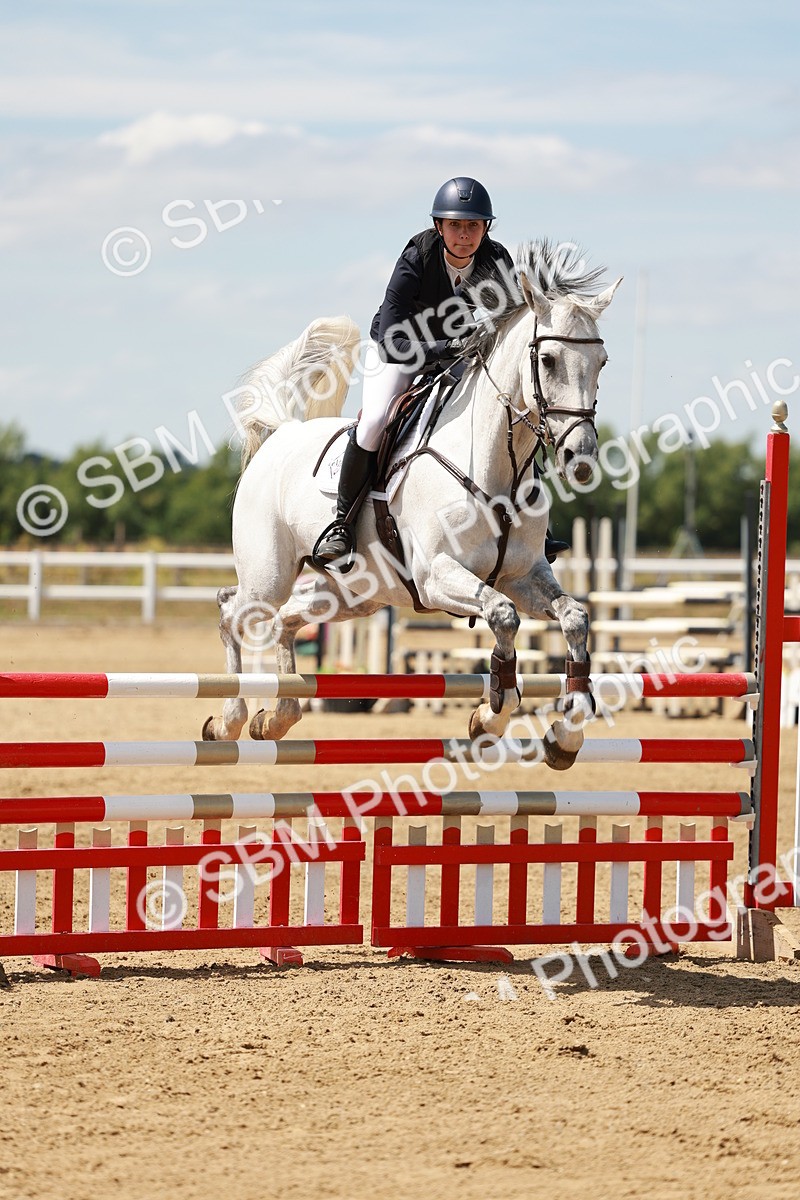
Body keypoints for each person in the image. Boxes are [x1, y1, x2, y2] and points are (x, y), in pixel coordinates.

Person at [313, 176, 569, 567]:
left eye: (473, 226)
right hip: (401, 352)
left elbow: (512, 326)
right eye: (455, 225)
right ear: (439, 226)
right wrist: (444, 349)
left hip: (457, 354)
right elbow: (391, 340)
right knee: (376, 421)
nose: (464, 235)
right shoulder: (417, 257)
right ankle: (342, 527)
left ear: (485, 228)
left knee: (512, 414)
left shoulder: (497, 261)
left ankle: (533, 526)